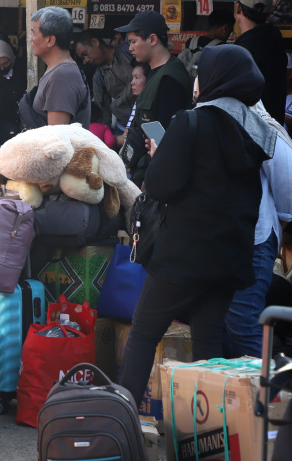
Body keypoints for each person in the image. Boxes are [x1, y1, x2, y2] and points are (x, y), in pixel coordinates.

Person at [118, 45, 272, 403]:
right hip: (230, 256)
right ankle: (210, 431)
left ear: (215, 78)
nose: (196, 79)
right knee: (208, 344)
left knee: (143, 332)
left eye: (201, 72)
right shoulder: (257, 131)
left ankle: (121, 420)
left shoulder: (191, 121)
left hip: (182, 255)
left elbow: (159, 185)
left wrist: (162, 155)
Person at [225, 95, 292, 359]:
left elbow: (287, 186)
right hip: (223, 239)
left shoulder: (258, 125)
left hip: (254, 238)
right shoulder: (207, 117)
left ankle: (266, 395)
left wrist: (282, 219)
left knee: (241, 323)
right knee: (221, 323)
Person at [115, 10, 194, 185]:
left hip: (155, 176)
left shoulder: (169, 79)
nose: (130, 48)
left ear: (152, 39)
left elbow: (166, 140)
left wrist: (150, 180)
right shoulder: (154, 72)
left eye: (134, 42)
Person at [21, 6, 90, 129]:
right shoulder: (58, 70)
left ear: (50, 40)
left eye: (34, 33)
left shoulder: (61, 76)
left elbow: (58, 141)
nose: (31, 39)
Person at [234, 0, 287, 121]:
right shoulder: (276, 45)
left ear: (238, 8)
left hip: (249, 132)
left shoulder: (241, 52)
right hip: (273, 131)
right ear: (268, 15)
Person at [75, 30, 135, 132]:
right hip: (122, 126)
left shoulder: (128, 52)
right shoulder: (99, 76)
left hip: (147, 121)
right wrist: (105, 133)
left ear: (95, 42)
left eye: (86, 53)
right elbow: (103, 109)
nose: (87, 59)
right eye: (83, 58)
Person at [178, 8, 234, 77]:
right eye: (230, 31)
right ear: (224, 28)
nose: (229, 34)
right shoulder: (223, 48)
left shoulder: (190, 42)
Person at [117, 61, 150, 152]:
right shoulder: (139, 101)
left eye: (137, 77)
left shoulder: (142, 103)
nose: (132, 82)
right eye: (132, 78)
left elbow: (125, 138)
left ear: (148, 79)